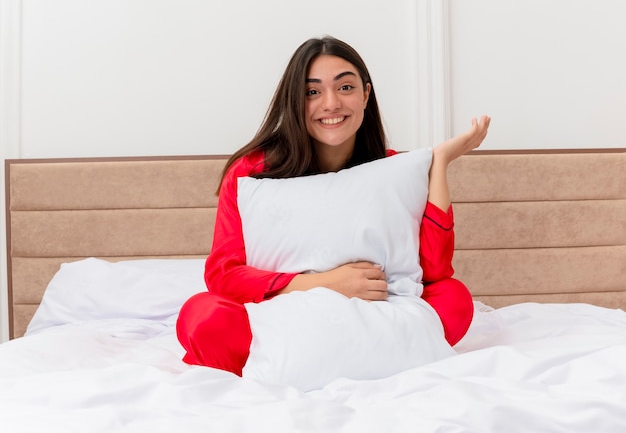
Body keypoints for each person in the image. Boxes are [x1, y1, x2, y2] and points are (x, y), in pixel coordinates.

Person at [176, 36, 490, 376]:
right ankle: (293, 363)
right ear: (294, 101)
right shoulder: (251, 172)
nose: (331, 103)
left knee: (453, 297)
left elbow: (434, 271)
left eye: (345, 88)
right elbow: (224, 275)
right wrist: (324, 283)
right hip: (282, 314)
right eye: (312, 92)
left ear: (366, 95)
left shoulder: (396, 171)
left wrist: (439, 163)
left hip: (375, 310)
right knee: (202, 314)